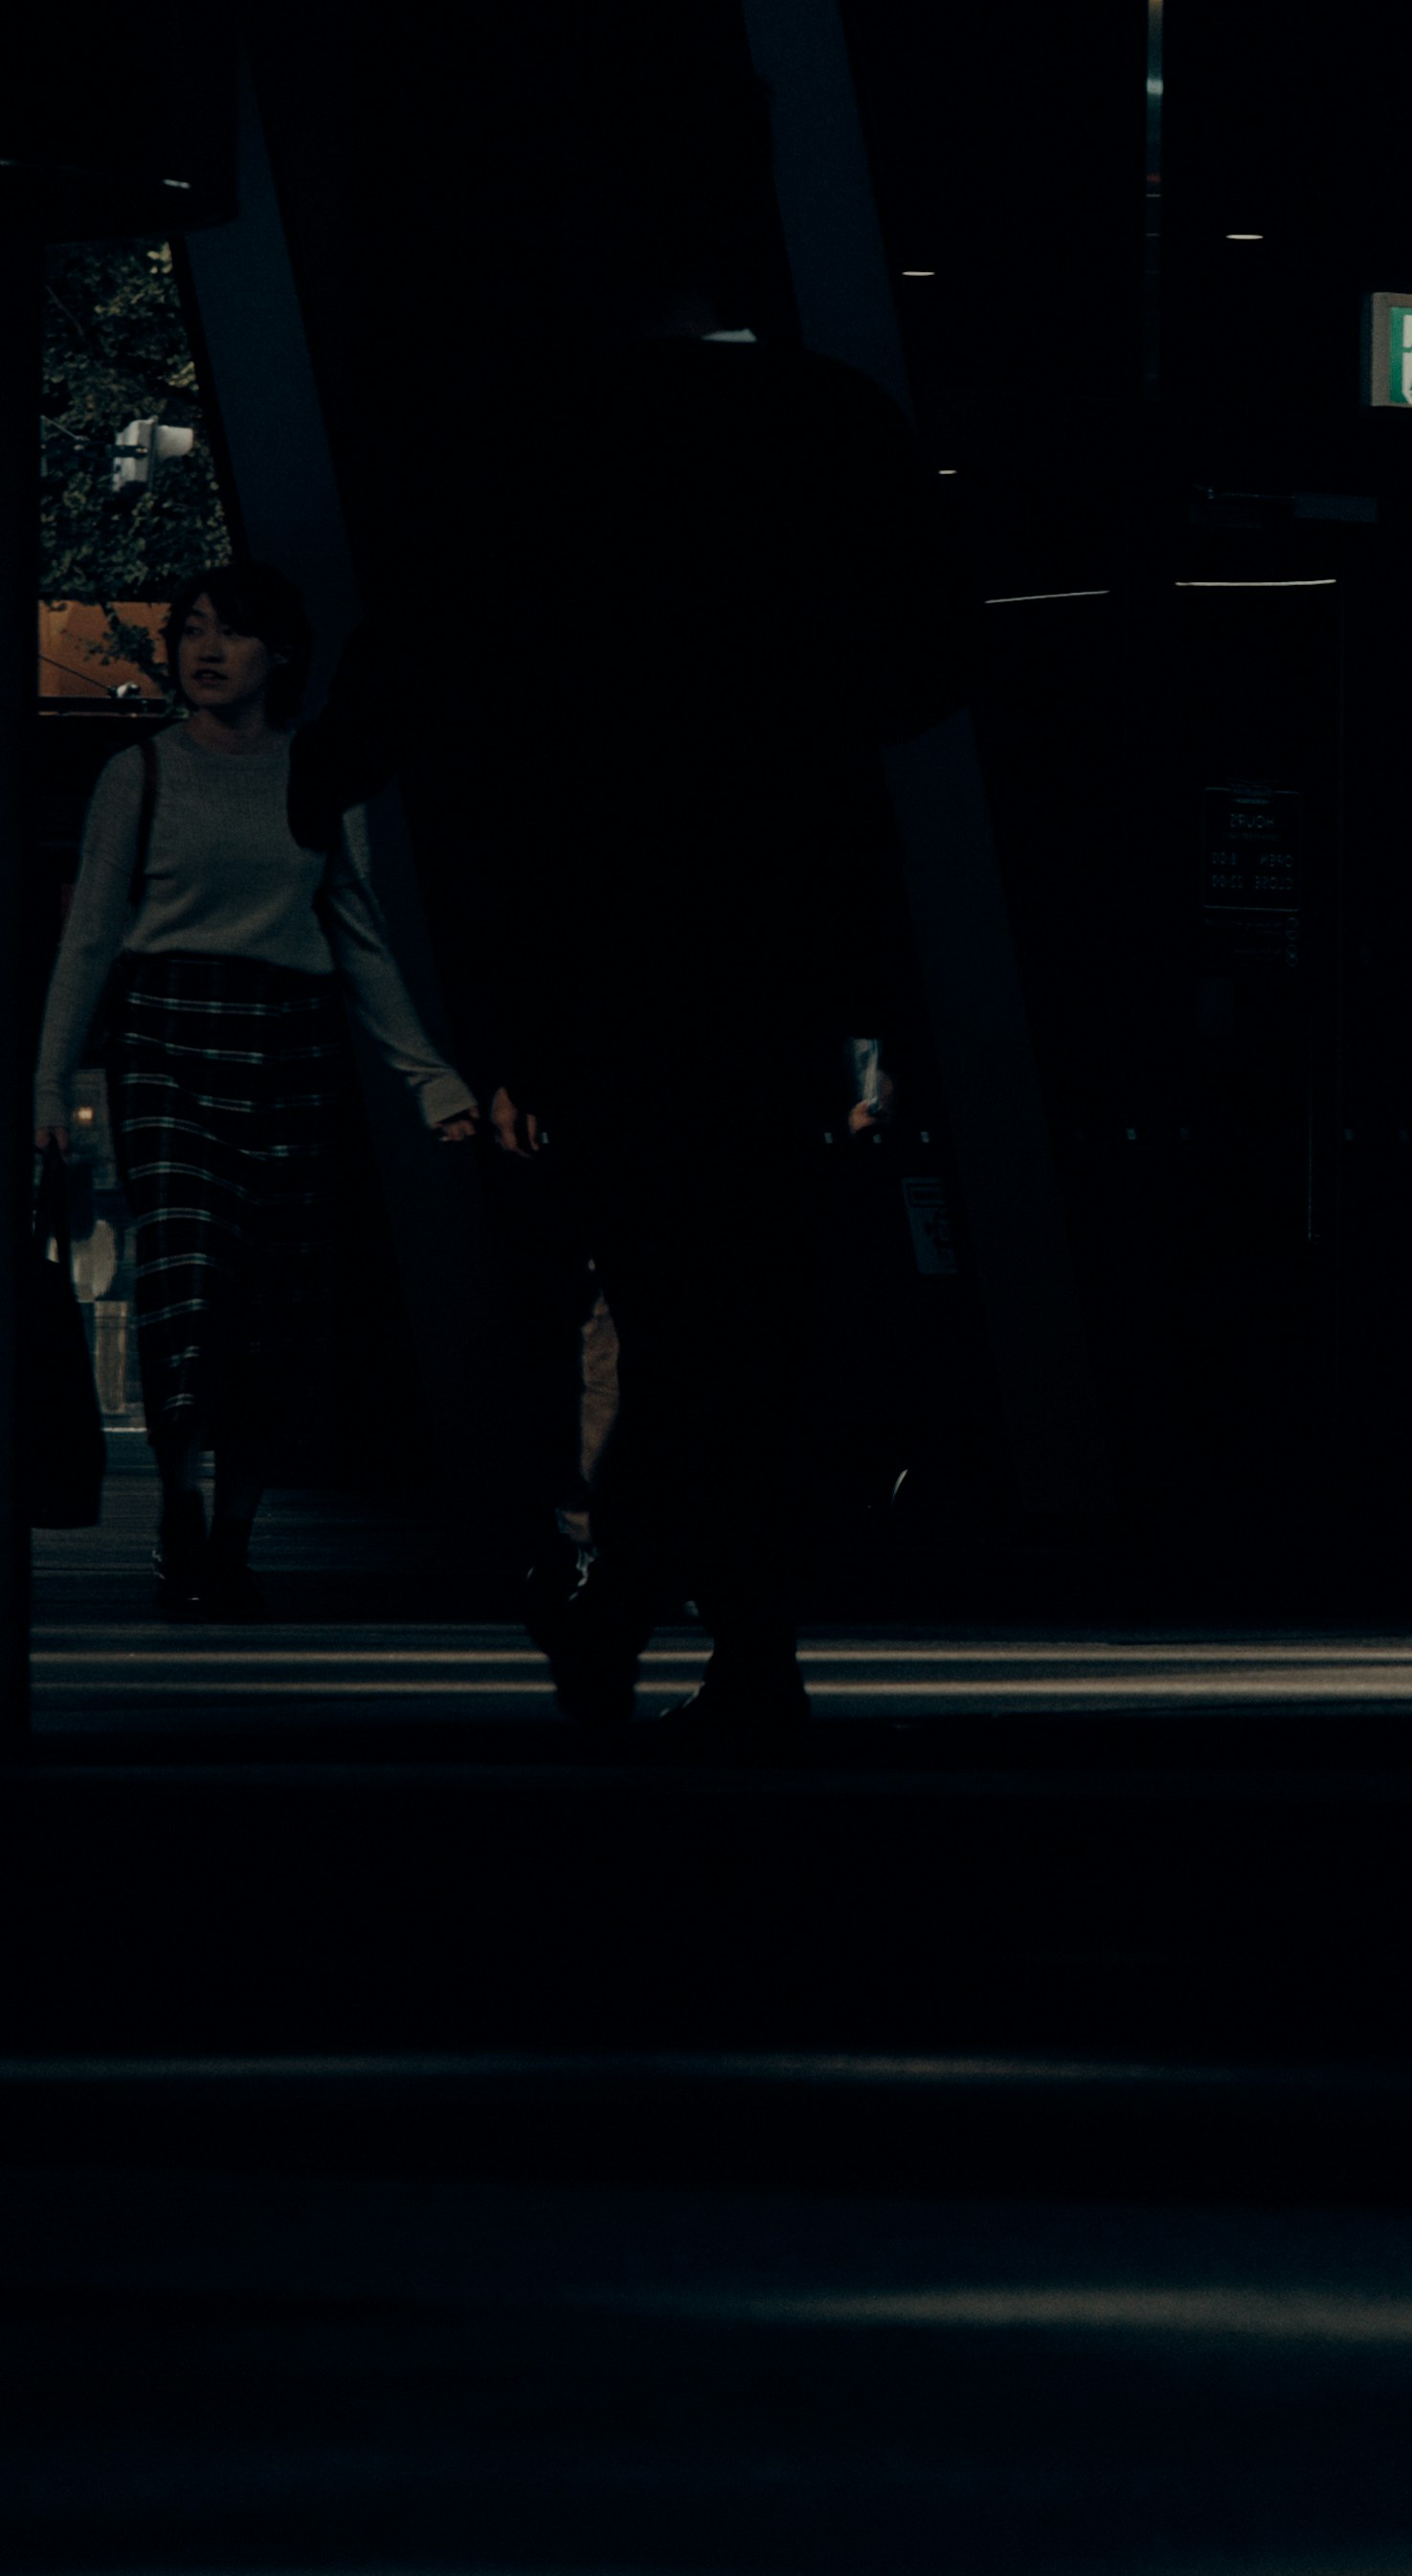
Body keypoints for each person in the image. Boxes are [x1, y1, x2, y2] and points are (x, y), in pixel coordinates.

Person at [325, 146, 976, 1740]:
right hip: (777, 948)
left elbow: (419, 687)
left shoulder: (531, 447)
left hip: (596, 957)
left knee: (660, 1295)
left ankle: (643, 1600)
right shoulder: (833, 428)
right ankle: (728, 1631)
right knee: (744, 1307)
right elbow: (918, 678)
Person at [29, 561, 481, 1616]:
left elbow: (357, 931)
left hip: (288, 1043)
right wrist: (48, 1086)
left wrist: (431, 1078)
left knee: (271, 1309)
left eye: (230, 632)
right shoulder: (138, 776)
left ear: (282, 652)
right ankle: (182, 1503)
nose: (203, 649)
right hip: (167, 1041)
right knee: (188, 1283)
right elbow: (89, 936)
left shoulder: (318, 774)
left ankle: (231, 1533)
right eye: (190, 630)